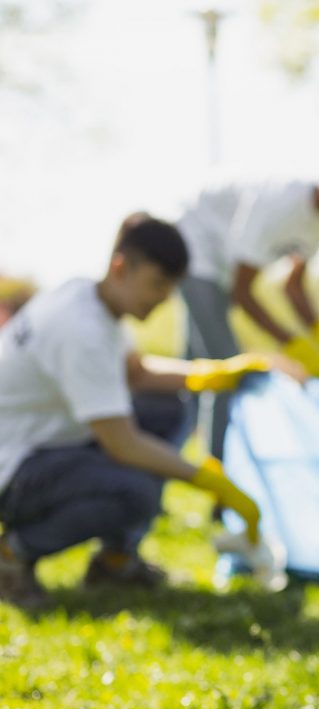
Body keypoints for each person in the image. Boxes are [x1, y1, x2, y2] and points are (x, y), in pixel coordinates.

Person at [0, 213, 264, 610]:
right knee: (135, 491)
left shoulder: (89, 299)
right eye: (158, 284)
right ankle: (11, 557)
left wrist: (206, 375)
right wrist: (212, 482)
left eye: (172, 288)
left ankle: (115, 560)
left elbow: (135, 373)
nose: (162, 299)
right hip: (13, 469)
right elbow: (123, 445)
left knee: (164, 412)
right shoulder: (80, 329)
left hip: (45, 447)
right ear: (121, 267)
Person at [176, 157, 319, 458]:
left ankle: (165, 458)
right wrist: (292, 343)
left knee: (193, 371)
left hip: (223, 269)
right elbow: (243, 292)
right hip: (194, 250)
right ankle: (220, 479)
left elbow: (292, 286)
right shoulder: (281, 205)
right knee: (226, 369)